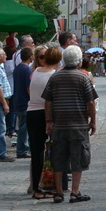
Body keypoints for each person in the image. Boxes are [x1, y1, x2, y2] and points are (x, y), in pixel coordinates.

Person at [43, 47, 97, 202]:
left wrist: (48, 121)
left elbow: (48, 101)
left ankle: (59, 192)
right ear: (79, 61)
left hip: (59, 125)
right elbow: (90, 103)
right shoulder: (83, 78)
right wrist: (93, 121)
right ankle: (75, 191)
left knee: (58, 159)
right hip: (78, 125)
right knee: (78, 158)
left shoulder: (55, 77)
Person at [25, 45, 61, 198]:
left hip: (31, 112)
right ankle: (47, 186)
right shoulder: (53, 75)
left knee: (36, 152)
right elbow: (51, 99)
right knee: (51, 150)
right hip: (44, 113)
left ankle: (35, 187)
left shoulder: (36, 71)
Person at [10, 45, 33, 160]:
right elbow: (28, 87)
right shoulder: (27, 69)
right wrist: (32, 98)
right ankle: (22, 149)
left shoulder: (17, 68)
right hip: (25, 101)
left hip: (18, 99)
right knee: (24, 127)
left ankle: (22, 148)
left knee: (22, 125)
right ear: (30, 57)